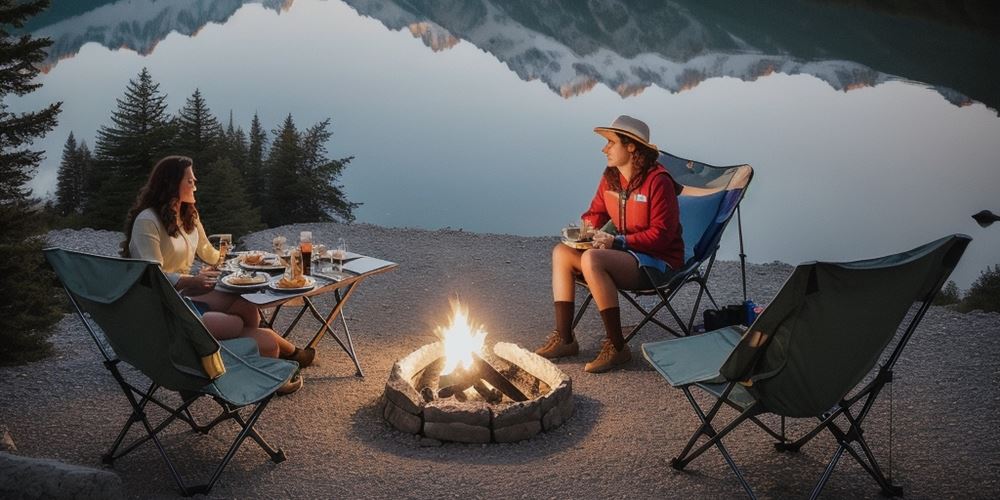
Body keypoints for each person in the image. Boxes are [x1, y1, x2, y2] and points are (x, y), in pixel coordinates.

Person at [121, 156, 313, 393]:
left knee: (246, 305)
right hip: (164, 307)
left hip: (184, 295)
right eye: (190, 181)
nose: (195, 185)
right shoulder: (147, 221)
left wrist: (234, 260)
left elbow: (207, 252)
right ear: (171, 184)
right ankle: (276, 356)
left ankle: (281, 355)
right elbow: (151, 274)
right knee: (241, 326)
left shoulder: (188, 214)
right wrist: (192, 280)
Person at [535, 116, 684, 373]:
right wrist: (586, 230)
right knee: (561, 252)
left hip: (657, 262)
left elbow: (662, 235)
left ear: (631, 146)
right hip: (625, 254)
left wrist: (618, 241)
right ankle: (565, 339)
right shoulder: (611, 177)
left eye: (610, 143)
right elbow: (596, 212)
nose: (604, 149)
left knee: (593, 259)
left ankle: (617, 347)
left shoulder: (658, 182)